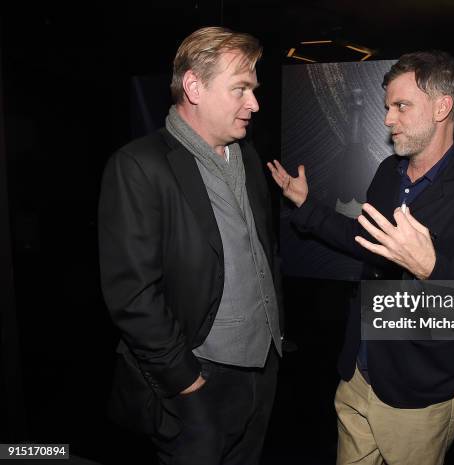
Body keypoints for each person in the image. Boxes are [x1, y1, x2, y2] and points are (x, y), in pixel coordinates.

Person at [268, 51, 454, 465]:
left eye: (401, 106)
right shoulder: (388, 172)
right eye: (387, 107)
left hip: (417, 395)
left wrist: (429, 266)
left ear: (442, 107)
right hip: (358, 374)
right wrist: (306, 206)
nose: (387, 119)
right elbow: (363, 238)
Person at [99, 26, 283, 465]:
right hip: (198, 380)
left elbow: (258, 253)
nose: (254, 103)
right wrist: (188, 385)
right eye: (240, 89)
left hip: (263, 371)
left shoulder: (247, 155)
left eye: (253, 90)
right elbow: (133, 297)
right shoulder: (139, 166)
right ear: (194, 87)